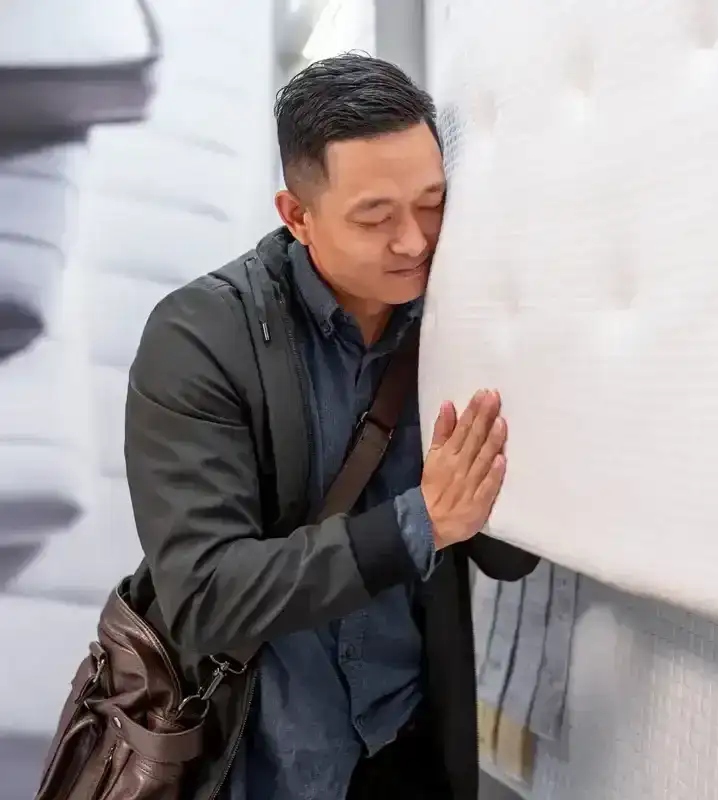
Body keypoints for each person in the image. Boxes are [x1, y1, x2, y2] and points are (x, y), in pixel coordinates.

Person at [124, 53, 540, 800]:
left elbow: (507, 553)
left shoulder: (454, 322)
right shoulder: (199, 337)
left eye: (432, 203)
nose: (414, 241)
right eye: (375, 217)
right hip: (259, 758)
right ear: (297, 216)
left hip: (408, 743)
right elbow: (207, 595)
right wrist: (421, 522)